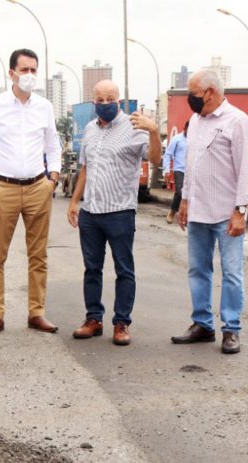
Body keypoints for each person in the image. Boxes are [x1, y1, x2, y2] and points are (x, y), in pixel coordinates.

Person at [0, 48, 62, 337]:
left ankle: (36, 312)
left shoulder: (44, 107)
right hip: (3, 187)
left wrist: (53, 177)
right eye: (24, 70)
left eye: (34, 70)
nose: (29, 75)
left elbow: (53, 145)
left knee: (38, 255)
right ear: (11, 73)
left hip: (38, 186)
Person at [67, 80, 161, 346]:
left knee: (124, 270)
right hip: (91, 211)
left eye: (110, 99)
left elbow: (154, 159)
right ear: (94, 101)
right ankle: (93, 319)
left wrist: (154, 131)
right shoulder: (89, 129)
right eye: (100, 99)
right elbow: (84, 168)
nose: (105, 104)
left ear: (118, 101)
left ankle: (122, 323)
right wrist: (75, 201)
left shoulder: (135, 127)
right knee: (92, 269)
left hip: (120, 211)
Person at [171, 69, 248, 354]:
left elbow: (245, 168)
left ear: (209, 92)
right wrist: (185, 200)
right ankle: (202, 324)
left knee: (231, 272)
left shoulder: (237, 121)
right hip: (198, 209)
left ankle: (231, 329)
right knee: (198, 270)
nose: (189, 99)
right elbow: (191, 164)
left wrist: (240, 211)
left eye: (192, 93)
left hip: (226, 211)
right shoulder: (195, 121)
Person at [164, 120, 189, 224]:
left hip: (191, 171)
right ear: (185, 128)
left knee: (189, 194)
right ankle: (172, 212)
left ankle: (185, 216)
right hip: (179, 169)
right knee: (180, 191)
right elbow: (168, 154)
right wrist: (166, 170)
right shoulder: (177, 139)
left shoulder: (195, 139)